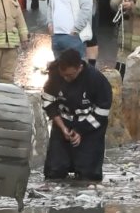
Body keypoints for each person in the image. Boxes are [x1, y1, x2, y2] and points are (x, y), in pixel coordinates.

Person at [42, 48, 112, 181]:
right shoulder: (55, 73)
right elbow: (48, 102)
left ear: (79, 67)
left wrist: (80, 130)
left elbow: (102, 111)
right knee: (54, 171)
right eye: (63, 76)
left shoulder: (96, 79)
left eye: (70, 75)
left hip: (90, 127)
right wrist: (63, 128)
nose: (66, 79)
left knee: (89, 175)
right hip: (64, 122)